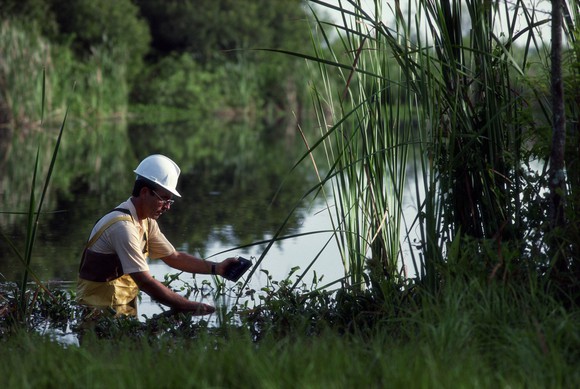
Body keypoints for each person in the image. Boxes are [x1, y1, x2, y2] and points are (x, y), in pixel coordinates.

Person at [76, 154, 239, 316]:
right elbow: (145, 282)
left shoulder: (146, 221)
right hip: (97, 316)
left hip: (122, 312)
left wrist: (217, 268)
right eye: (164, 199)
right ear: (145, 192)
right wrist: (189, 306)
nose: (168, 207)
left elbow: (174, 257)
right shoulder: (122, 227)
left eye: (170, 201)